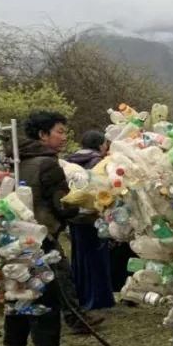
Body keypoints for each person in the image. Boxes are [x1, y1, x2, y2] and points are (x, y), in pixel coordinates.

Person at [3, 111, 88, 346]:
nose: (64, 137)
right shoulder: (47, 165)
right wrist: (84, 206)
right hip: (41, 239)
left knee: (16, 295)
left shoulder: (11, 161)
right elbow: (62, 206)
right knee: (46, 298)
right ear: (42, 135)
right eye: (60, 131)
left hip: (10, 241)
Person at [65, 131, 115, 314]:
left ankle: (81, 293)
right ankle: (98, 298)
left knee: (79, 255)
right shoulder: (98, 162)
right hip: (92, 216)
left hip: (74, 214)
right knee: (97, 257)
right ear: (100, 145)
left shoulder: (70, 161)